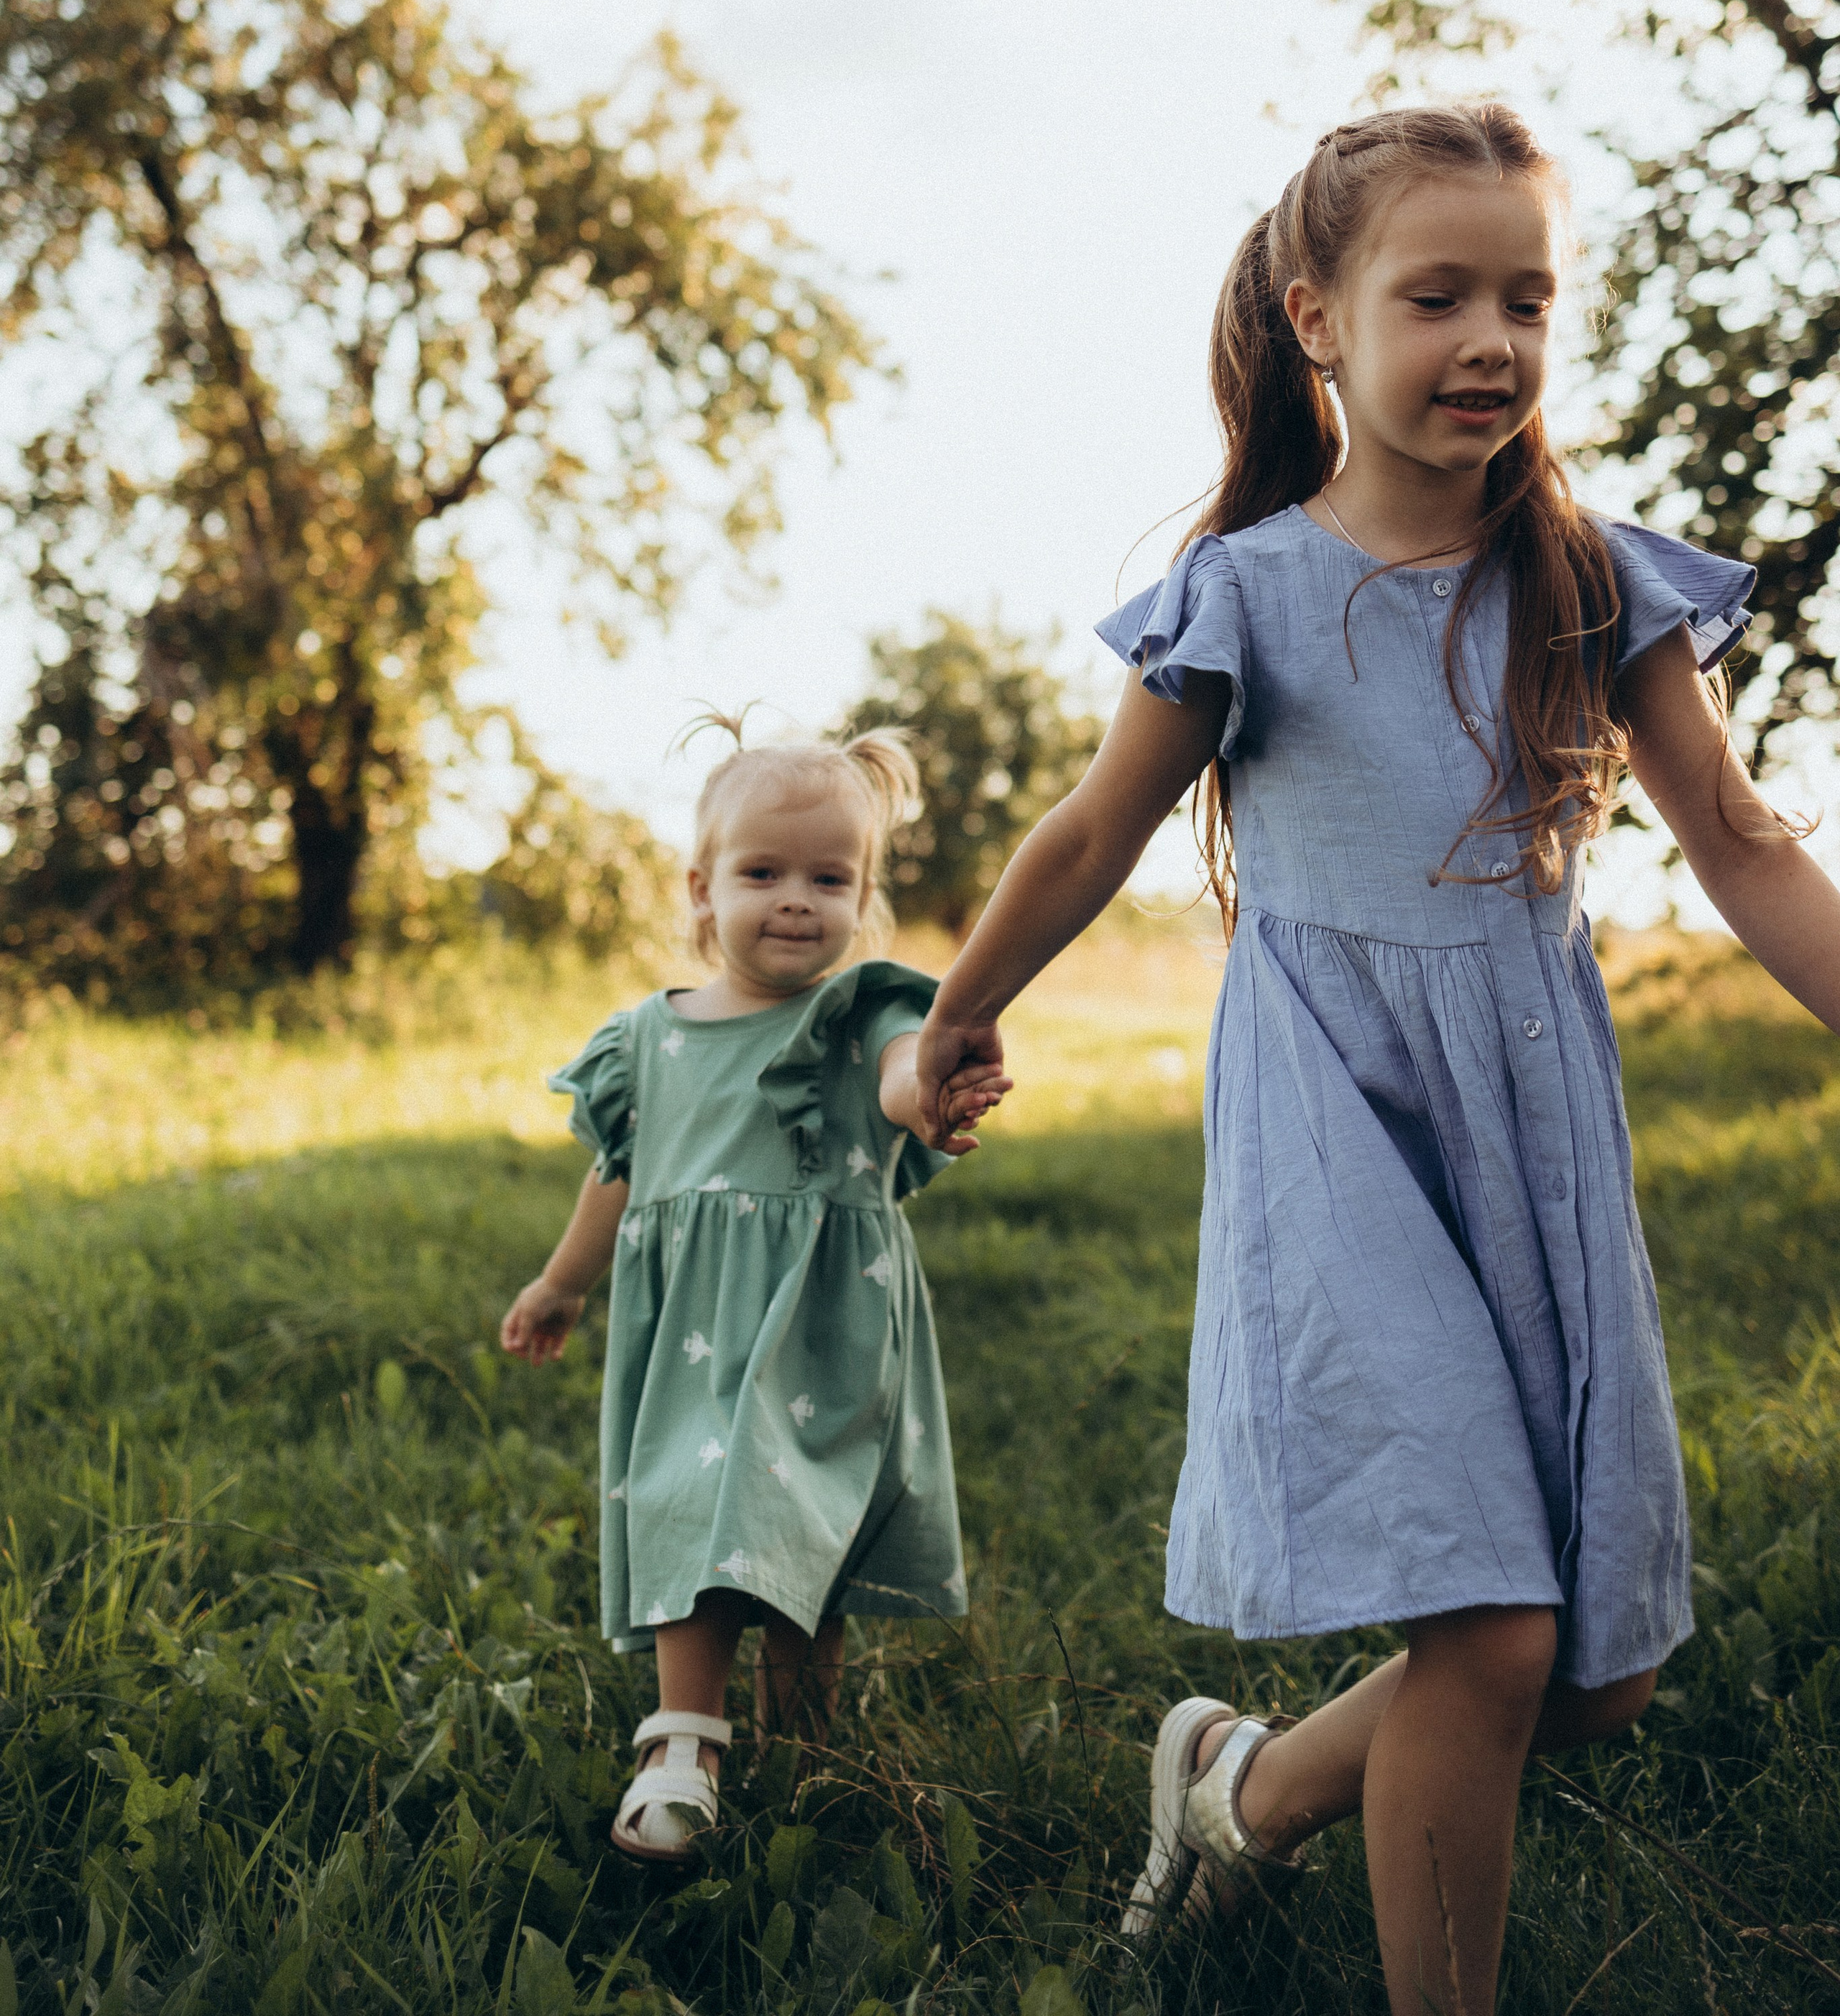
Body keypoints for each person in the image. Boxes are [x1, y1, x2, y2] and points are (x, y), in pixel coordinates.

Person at [914, 102, 1840, 2016]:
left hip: (1531, 1127)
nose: (1492, 338)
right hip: (1341, 1126)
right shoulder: (1246, 593)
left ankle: (1237, 1792)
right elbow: (1090, 832)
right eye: (1441, 296)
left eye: (1527, 297)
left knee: (1589, 1678)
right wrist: (966, 1004)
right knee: (1491, 1637)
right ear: (1317, 315)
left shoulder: (1588, 578)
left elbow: (1745, 843)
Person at [501, 724, 1005, 1859]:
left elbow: (898, 1076)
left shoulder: (862, 1013)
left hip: (821, 1331)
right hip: (691, 1336)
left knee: (800, 1533)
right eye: (763, 873)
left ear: (865, 898)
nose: (796, 901)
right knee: (697, 1500)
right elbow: (617, 1182)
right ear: (701, 889)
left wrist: (929, 1091)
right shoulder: (647, 1039)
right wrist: (560, 1283)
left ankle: (807, 1750)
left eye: (830, 879)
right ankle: (684, 1745)